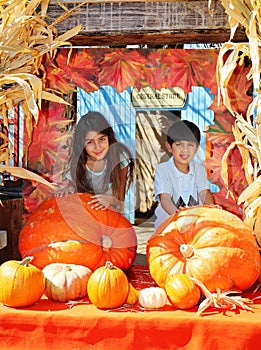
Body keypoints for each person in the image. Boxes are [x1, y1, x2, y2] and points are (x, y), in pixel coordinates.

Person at [56, 111, 135, 212]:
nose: (97, 147)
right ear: (82, 145)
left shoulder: (120, 158)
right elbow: (75, 187)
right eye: (90, 142)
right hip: (86, 213)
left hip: (112, 215)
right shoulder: (77, 163)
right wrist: (69, 189)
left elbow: (119, 196)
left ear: (109, 138)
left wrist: (108, 199)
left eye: (102, 139)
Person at [154, 119, 214, 230]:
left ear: (196, 147)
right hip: (168, 229)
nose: (185, 150)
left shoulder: (199, 170)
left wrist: (212, 209)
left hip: (194, 228)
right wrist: (180, 218)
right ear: (169, 147)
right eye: (179, 144)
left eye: (190, 145)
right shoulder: (163, 170)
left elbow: (204, 192)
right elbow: (165, 198)